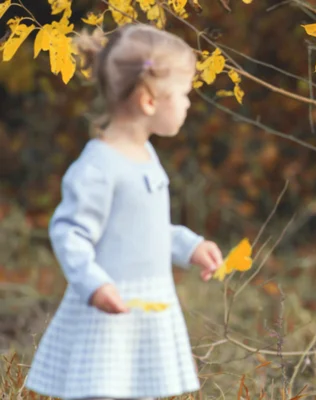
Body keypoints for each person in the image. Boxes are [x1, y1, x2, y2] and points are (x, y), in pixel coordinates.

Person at [25, 24, 223, 400]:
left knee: (141, 389)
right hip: (110, 313)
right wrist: (95, 284)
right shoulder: (99, 166)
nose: (188, 103)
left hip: (146, 310)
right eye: (182, 94)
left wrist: (189, 246)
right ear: (149, 100)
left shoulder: (146, 157)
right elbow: (69, 232)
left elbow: (144, 229)